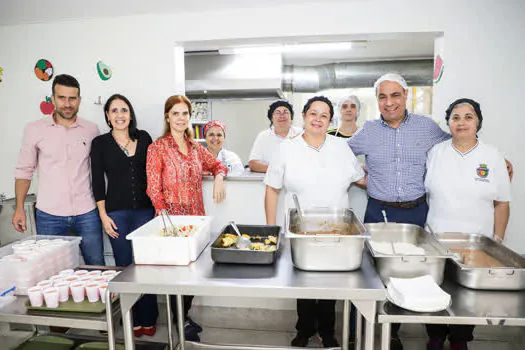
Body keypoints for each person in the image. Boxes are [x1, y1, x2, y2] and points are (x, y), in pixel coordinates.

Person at [347, 73, 451, 350]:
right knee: (372, 276)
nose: (389, 102)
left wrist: (493, 160)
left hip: (417, 213)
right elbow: (339, 156)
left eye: (395, 95)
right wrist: (359, 176)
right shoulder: (368, 130)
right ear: (377, 100)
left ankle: (405, 329)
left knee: (415, 274)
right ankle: (368, 333)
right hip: (378, 212)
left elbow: (453, 147)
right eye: (383, 96)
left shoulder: (427, 127)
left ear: (405, 96)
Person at [265, 96, 364, 348]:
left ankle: (328, 331)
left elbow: (358, 177)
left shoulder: (341, 147)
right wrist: (271, 229)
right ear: (304, 117)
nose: (318, 119)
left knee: (331, 281)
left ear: (330, 120)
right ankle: (305, 329)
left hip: (337, 228)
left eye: (324, 115)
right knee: (303, 279)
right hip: (301, 229)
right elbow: (272, 189)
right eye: (313, 113)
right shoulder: (286, 148)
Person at [424, 98, 510, 350]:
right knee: (436, 290)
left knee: (468, 295)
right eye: (455, 117)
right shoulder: (435, 153)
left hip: (477, 242)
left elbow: (502, 202)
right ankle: (436, 336)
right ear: (448, 123)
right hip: (437, 238)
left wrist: (497, 241)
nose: (461, 122)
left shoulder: (492, 156)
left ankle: (460, 340)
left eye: (468, 117)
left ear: (478, 122)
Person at [146, 95, 228, 342]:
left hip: (195, 220)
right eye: (175, 113)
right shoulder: (157, 148)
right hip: (171, 223)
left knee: (191, 273)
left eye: (184, 114)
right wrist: (163, 217)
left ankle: (182, 315)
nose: (180, 118)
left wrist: (220, 177)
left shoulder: (195, 148)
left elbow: (217, 165)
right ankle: (179, 322)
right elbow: (153, 187)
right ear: (167, 117)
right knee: (175, 276)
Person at [13, 74, 104, 266]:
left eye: (72, 98)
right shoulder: (34, 129)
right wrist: (19, 208)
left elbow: (100, 170)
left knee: (96, 265)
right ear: (53, 98)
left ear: (79, 100)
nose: (67, 104)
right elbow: (24, 170)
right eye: (62, 98)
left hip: (86, 212)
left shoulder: (91, 129)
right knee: (53, 269)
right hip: (49, 214)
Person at [90, 94, 158, 337]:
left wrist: (159, 208)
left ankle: (149, 317)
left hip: (145, 213)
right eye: (114, 110)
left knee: (147, 265)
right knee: (125, 268)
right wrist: (103, 215)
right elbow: (97, 181)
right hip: (116, 213)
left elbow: (154, 173)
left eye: (124, 110)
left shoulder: (145, 137)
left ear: (131, 114)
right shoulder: (100, 143)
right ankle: (131, 318)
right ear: (107, 116)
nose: (120, 115)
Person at [248, 100, 302, 173]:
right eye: (277, 113)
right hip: (270, 180)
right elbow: (253, 164)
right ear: (271, 118)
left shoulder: (301, 133)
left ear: (291, 117)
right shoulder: (263, 136)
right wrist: (277, 169)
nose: (282, 116)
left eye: (285, 112)